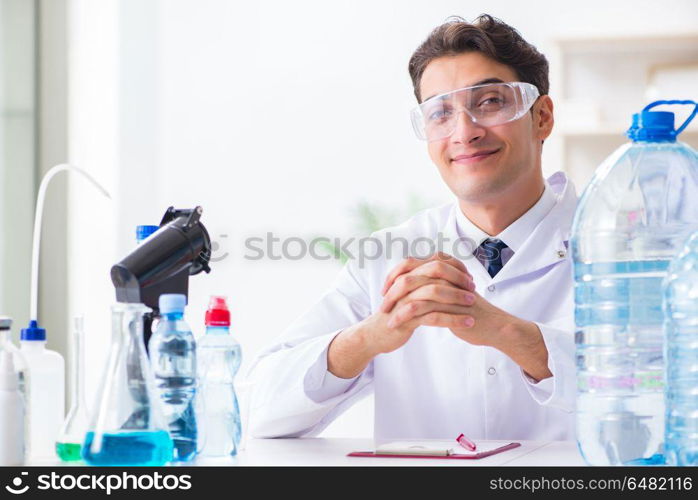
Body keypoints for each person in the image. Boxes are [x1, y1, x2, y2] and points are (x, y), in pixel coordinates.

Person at [248, 14, 576, 442]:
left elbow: (665, 398)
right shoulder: (390, 258)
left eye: (490, 102)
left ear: (542, 118)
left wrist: (506, 332)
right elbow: (256, 409)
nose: (464, 132)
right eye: (441, 113)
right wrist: (368, 337)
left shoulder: (623, 249)